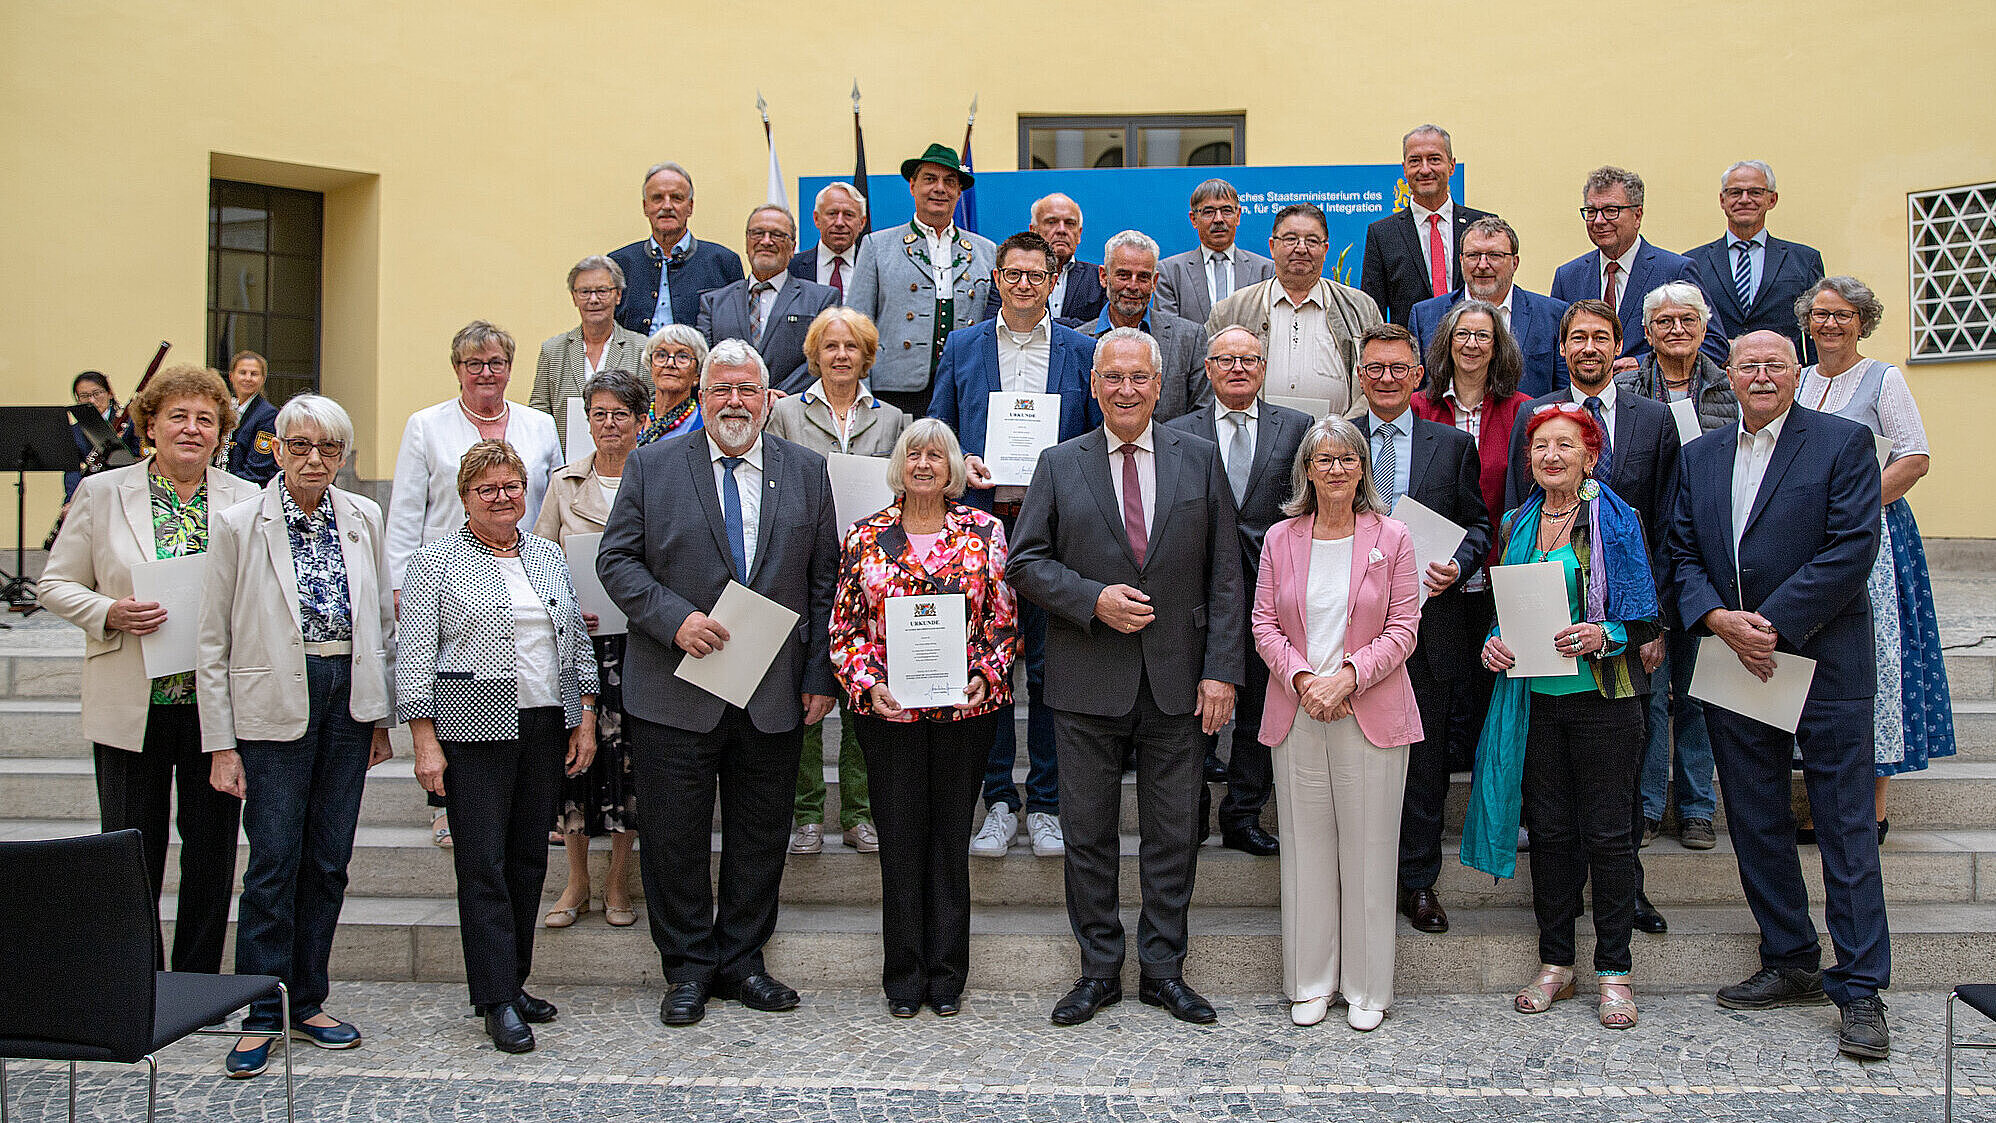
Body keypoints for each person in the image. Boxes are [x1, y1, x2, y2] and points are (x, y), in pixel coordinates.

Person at [597, 339, 840, 1029]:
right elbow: (617, 561)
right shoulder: (651, 465)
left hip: (773, 691)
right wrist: (675, 620)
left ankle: (742, 961)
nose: (735, 401)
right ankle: (687, 967)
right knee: (673, 838)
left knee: (761, 834)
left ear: (768, 399)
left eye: (747, 389)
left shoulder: (805, 469)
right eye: (721, 389)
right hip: (676, 689)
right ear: (701, 398)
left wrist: (820, 671)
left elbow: (824, 578)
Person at [1010, 327, 1245, 1027]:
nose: (1126, 389)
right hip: (1086, 681)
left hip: (1178, 684)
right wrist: (1093, 599)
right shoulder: (1059, 462)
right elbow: (1024, 562)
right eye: (1113, 377)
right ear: (1093, 383)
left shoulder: (1199, 459)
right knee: (1088, 834)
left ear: (1160, 382)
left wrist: (1221, 672)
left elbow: (1227, 573)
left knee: (1174, 834)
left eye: (1139, 378)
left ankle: (1164, 971)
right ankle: (1099, 970)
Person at [1667, 330, 1889, 1060]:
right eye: (1747, 365)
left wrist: (1774, 621)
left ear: (1796, 373)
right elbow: (1682, 550)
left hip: (1822, 660)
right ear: (1724, 374)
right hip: (1735, 659)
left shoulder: (1842, 442)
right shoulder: (1699, 455)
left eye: (1775, 364)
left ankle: (1859, 987)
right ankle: (1789, 954)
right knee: (1757, 816)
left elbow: (1852, 545)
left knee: (1844, 827)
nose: (1760, 375)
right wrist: (1717, 618)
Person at [195, 394, 395, 1077]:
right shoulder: (237, 523)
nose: (316, 458)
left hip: (346, 700)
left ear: (344, 456)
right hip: (272, 699)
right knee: (274, 860)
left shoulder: (364, 516)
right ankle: (259, 1007)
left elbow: (382, 628)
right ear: (275, 449)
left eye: (330, 448)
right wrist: (221, 743)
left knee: (329, 859)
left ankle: (307, 998)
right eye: (302, 445)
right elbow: (211, 636)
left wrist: (377, 715)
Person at [41, 364, 257, 975]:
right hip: (131, 701)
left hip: (213, 707)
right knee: (132, 848)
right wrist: (108, 610)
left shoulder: (245, 499)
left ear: (222, 434)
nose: (192, 430)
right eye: (178, 417)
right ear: (149, 427)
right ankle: (137, 978)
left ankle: (195, 979)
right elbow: (55, 583)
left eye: (206, 420)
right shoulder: (102, 494)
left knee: (212, 850)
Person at [396, 439, 599, 1054]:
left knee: (528, 860)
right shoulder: (435, 564)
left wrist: (584, 715)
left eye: (512, 486)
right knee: (482, 864)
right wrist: (424, 742)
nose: (504, 497)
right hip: (471, 728)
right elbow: (413, 656)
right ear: (464, 499)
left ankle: (516, 980)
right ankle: (493, 997)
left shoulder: (546, 555)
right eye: (488, 489)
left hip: (542, 724)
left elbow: (575, 642)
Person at [1470, 404, 1661, 1032]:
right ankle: (1556, 961)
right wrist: (1495, 641)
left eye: (1565, 446)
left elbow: (1642, 616)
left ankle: (1614, 970)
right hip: (1536, 702)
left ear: (1591, 456)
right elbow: (1509, 606)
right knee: (1550, 835)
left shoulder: (1616, 519)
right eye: (1541, 447)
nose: (1552, 456)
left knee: (1607, 835)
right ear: (1529, 460)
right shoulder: (1517, 520)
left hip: (1604, 700)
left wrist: (1601, 633)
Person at [828, 419, 1019, 1017]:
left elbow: (1004, 623)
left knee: (948, 842)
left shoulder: (985, 532)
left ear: (954, 467)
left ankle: (947, 976)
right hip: (890, 716)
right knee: (901, 844)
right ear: (898, 465)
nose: (925, 464)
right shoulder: (864, 538)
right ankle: (903, 976)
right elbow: (845, 630)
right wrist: (869, 682)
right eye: (914, 454)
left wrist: (985, 675)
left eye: (937, 455)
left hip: (965, 712)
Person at [1506, 299, 1682, 935]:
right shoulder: (1533, 433)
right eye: (1575, 337)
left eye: (1599, 337)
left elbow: (1668, 523)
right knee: (1551, 825)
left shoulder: (1651, 421)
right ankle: (1558, 946)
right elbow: (1514, 561)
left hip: (1611, 674)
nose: (1587, 347)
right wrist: (1501, 636)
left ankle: (1622, 908)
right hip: (1539, 685)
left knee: (1613, 816)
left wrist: (1648, 627)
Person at [929, 231, 1102, 860]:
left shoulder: (1082, 350)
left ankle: (1050, 804)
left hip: (1056, 531)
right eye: (1013, 273)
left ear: (1054, 281)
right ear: (995, 279)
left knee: (1051, 669)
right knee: (988, 663)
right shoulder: (964, 345)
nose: (1024, 284)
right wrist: (962, 459)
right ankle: (999, 800)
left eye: (1036, 274)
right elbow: (939, 426)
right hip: (983, 523)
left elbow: (1094, 436)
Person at [1251, 416, 1422, 1030]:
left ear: (1363, 469)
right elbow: (1264, 624)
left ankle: (1369, 988)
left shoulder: (1393, 537)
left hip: (1368, 709)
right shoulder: (1280, 538)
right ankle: (1310, 981)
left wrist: (1348, 677)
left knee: (1372, 853)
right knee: (1305, 850)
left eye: (1347, 459)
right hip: (1298, 710)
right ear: (1306, 471)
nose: (1336, 469)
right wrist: (1303, 681)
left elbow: (1404, 627)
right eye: (1323, 460)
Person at [386, 321, 562, 848]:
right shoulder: (425, 425)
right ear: (457, 369)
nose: (486, 373)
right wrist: (400, 583)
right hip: (444, 574)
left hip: (524, 568)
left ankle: (529, 806)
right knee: (447, 684)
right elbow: (406, 510)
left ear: (511, 369)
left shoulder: (539, 425)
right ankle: (444, 803)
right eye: (473, 364)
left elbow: (549, 505)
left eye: (496, 364)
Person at [1348, 325, 1492, 936]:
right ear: (1360, 375)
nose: (1385, 378)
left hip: (1431, 633)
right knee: (1354, 763)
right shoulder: (1333, 441)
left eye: (1397, 368)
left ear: (1416, 377)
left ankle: (1417, 881)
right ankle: (1354, 882)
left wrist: (1459, 566)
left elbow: (1480, 529)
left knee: (1425, 765)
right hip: (1349, 633)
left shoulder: (1451, 446)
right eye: (1374, 367)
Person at [1796, 276, 1953, 831]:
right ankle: (1818, 801)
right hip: (1806, 538)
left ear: (1862, 321)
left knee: (1876, 658)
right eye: (1820, 314)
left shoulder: (1882, 379)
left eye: (1842, 314)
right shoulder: (1798, 382)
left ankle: (1873, 809)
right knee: (1813, 662)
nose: (1830, 324)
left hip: (1872, 536)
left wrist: (1852, 506)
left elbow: (1914, 458)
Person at [765, 307, 908, 855]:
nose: (841, 355)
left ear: (867, 355)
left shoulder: (893, 420)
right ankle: (805, 815)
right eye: (830, 346)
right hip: (803, 568)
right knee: (804, 689)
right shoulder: (785, 416)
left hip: (873, 573)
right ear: (815, 354)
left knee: (865, 695)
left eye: (851, 346)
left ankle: (858, 813)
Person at [1165, 327, 1312, 856]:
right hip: (1195, 593)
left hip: (1274, 590)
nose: (1238, 368)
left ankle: (1244, 813)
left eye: (1249, 359)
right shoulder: (1177, 432)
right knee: (1192, 708)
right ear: (1207, 368)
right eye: (1225, 360)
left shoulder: (1297, 429)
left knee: (1259, 710)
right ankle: (1192, 813)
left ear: (1264, 367)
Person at [1618, 282, 1739, 850]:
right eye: (1663, 322)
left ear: (1704, 324)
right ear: (1647, 331)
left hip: (1711, 561)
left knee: (1696, 691)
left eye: (1687, 320)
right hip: (1648, 557)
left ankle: (1695, 806)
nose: (1676, 331)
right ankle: (1645, 805)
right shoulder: (1626, 389)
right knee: (1651, 689)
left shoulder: (1730, 387)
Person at [533, 370, 650, 930]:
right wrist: (560, 604)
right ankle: (576, 881)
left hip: (641, 642)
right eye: (599, 414)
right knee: (574, 763)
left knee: (630, 762)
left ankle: (618, 882)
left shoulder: (659, 477)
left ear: (641, 420)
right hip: (578, 639)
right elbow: (538, 557)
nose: (608, 424)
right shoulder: (563, 483)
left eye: (620, 414)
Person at [1412, 300, 1527, 787]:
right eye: (1463, 334)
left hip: (1496, 569)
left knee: (1489, 689)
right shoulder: (1419, 406)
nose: (1472, 344)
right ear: (1446, 343)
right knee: (1435, 690)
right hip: (1428, 573)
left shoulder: (1522, 410)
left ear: (1498, 346)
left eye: (1484, 336)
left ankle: (1491, 803)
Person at [846, 143, 996, 417]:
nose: (940, 188)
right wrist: (861, 392)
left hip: (963, 390)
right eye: (930, 179)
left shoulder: (986, 251)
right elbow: (857, 328)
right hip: (894, 392)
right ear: (913, 186)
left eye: (949, 182)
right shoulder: (877, 246)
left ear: (959, 192)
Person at [1208, 203, 1384, 417]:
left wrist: (1345, 431)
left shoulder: (1360, 309)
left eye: (1312, 241)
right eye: (1290, 239)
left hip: (1337, 443)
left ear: (1326, 249)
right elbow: (1210, 384)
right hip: (1254, 442)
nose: (1301, 248)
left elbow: (1378, 380)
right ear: (1272, 246)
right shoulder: (1231, 310)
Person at [1550, 167, 1729, 369]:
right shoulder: (1568, 276)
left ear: (1637, 215)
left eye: (1611, 211)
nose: (1599, 221)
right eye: (1591, 211)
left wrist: (1642, 363)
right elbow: (1558, 352)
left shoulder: (1675, 270)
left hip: (1653, 395)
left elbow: (1714, 345)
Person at [1408, 216, 1571, 397]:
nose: (1483, 265)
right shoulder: (1426, 316)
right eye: (1473, 255)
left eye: (1494, 255)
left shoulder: (1553, 316)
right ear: (1461, 261)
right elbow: (1417, 395)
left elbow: (1563, 394)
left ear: (1515, 263)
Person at [1360, 125, 1498, 326]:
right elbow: (1372, 311)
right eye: (1415, 161)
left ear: (1451, 166)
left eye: (1434, 159)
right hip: (1411, 353)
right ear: (1404, 168)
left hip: (1475, 350)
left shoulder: (1483, 226)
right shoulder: (1382, 234)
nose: (1425, 170)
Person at [698, 205, 841, 395]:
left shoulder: (822, 299)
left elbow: (824, 356)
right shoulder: (714, 303)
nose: (766, 241)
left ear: (792, 247)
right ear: (747, 242)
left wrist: (773, 397)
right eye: (758, 233)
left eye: (777, 235)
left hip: (794, 410)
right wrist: (745, 394)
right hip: (732, 409)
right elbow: (707, 362)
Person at [1688, 161, 1826, 357]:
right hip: (1713, 380)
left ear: (1772, 199)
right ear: (1722, 200)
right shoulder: (1693, 263)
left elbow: (1815, 331)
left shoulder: (1804, 261)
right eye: (1735, 192)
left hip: (1782, 379)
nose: (1744, 199)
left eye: (1755, 192)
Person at [609, 162, 745, 335]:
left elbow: (737, 330)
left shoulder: (723, 262)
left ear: (690, 207)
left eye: (676, 198)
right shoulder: (619, 264)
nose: (667, 206)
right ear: (645, 207)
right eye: (657, 198)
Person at [1088, 230, 1209, 422]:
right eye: (1123, 275)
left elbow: (1202, 417)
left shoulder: (1189, 338)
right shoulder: (1077, 341)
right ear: (1104, 276)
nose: (1133, 286)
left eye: (1143, 277)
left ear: (1154, 282)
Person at [526, 255, 648, 440]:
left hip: (626, 462)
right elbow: (539, 412)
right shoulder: (552, 350)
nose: (593, 299)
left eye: (602, 291)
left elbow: (651, 409)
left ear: (618, 295)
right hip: (565, 463)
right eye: (584, 292)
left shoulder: (641, 349)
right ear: (574, 297)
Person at [1154, 178, 1275, 328]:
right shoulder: (1170, 272)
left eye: (1226, 211)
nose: (1218, 219)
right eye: (1209, 212)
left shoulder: (1266, 270)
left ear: (1238, 216)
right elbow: (1171, 333)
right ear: (1194, 219)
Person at [982, 193, 1106, 324]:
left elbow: (1100, 328)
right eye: (1052, 222)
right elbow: (995, 324)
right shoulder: (1011, 276)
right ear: (1033, 231)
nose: (1062, 230)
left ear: (1079, 234)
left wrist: (1039, 324)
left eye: (1070, 223)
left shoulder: (1098, 278)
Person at [65, 371, 136, 500]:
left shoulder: (129, 422)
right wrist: (73, 500)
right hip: (88, 495)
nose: (92, 400)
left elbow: (138, 460)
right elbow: (72, 471)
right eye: (84, 396)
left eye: (97, 393)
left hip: (123, 494)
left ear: (109, 393)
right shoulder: (74, 431)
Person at [789, 181, 866, 296]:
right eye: (832, 214)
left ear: (862, 223)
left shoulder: (875, 268)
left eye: (848, 215)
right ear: (816, 219)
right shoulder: (791, 267)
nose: (839, 223)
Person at [637, 325, 709, 446]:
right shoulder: (635, 415)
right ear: (651, 367)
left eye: (682, 356)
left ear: (697, 375)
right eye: (661, 355)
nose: (670, 363)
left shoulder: (705, 424)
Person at [222, 350, 280, 485]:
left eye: (254, 374)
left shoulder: (267, 415)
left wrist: (224, 485)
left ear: (262, 379)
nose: (247, 378)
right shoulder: (230, 408)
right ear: (231, 376)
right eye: (242, 373)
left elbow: (258, 469)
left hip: (247, 490)